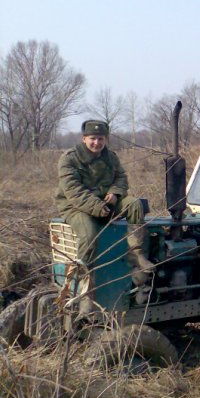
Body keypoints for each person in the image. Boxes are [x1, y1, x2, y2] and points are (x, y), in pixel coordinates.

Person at [55, 120, 154, 313]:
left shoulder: (110, 157)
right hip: (76, 207)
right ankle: (85, 291)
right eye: (92, 138)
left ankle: (137, 259)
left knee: (134, 205)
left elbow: (121, 177)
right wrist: (98, 208)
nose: (96, 143)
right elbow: (73, 190)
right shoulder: (69, 159)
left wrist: (116, 193)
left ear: (105, 139)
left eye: (100, 139)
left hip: (106, 203)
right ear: (84, 139)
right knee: (89, 233)